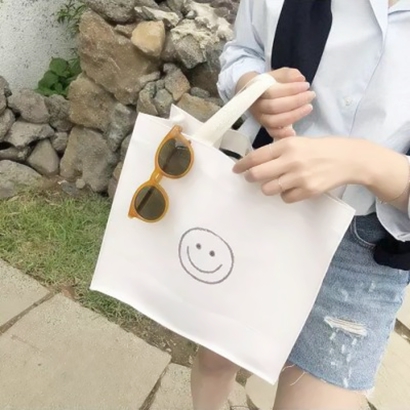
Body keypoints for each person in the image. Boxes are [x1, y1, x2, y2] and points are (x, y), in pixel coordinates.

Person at [190, 1, 410, 409]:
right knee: (215, 357)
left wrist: (363, 161)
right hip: (261, 200)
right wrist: (254, 88)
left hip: (365, 248)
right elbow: (243, 52)